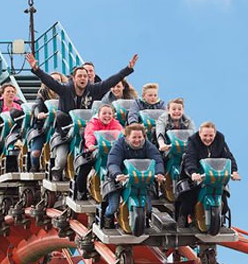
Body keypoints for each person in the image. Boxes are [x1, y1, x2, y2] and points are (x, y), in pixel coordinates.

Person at [25, 51, 138, 179]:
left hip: (87, 131)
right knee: (61, 160)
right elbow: (50, 81)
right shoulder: (64, 90)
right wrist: (36, 69)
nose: (83, 78)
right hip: (65, 131)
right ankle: (57, 171)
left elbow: (111, 81)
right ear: (73, 78)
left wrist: (128, 69)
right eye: (80, 76)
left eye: (85, 76)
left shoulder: (94, 89)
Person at [175, 121, 240, 227]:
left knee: (224, 199)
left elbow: (228, 156)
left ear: (215, 134)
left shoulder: (220, 140)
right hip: (197, 173)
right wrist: (193, 172)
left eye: (211, 135)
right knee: (189, 197)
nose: (208, 138)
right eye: (205, 135)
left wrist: (233, 171)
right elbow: (190, 158)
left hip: (214, 172)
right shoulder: (193, 141)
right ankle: (183, 216)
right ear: (200, 134)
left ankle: (220, 216)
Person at [103, 124, 165, 228]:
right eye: (134, 137)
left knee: (148, 208)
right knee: (113, 206)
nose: (137, 140)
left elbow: (157, 159)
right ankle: (107, 219)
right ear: (127, 137)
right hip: (120, 179)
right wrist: (117, 174)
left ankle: (143, 220)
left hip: (141, 179)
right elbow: (113, 162)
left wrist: (159, 173)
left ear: (144, 137)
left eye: (140, 137)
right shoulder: (119, 145)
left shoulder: (148, 146)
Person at [74, 103, 124, 199]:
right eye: (104, 113)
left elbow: (121, 135)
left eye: (109, 113)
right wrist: (90, 145)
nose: (107, 116)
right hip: (94, 150)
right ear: (99, 114)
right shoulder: (93, 123)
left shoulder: (115, 124)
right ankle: (81, 191)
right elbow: (90, 134)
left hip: (110, 151)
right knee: (84, 169)